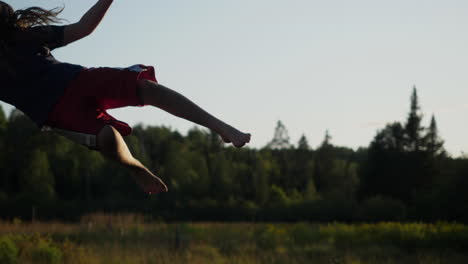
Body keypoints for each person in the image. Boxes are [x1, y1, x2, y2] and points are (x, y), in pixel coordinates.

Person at [0, 0, 251, 195]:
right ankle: (136, 167)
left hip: (79, 80)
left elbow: (82, 28)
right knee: (107, 137)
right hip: (58, 113)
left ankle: (222, 128)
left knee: (145, 88)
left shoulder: (28, 37)